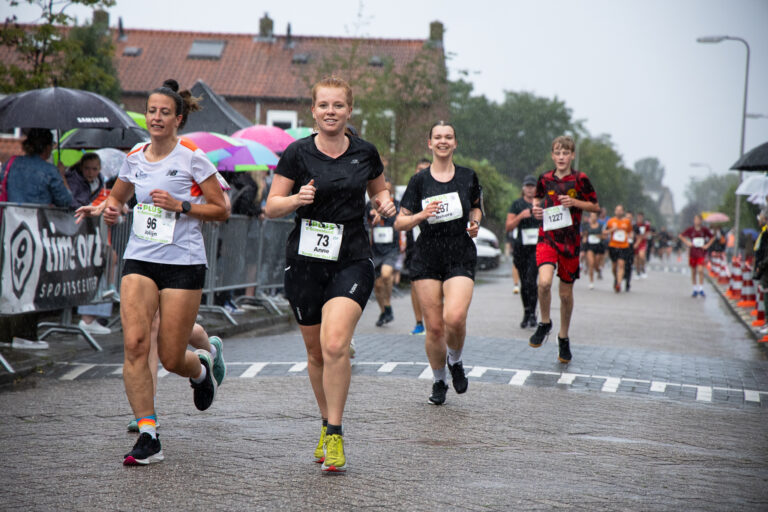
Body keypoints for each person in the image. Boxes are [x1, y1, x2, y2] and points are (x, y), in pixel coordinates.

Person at [76, 79, 229, 466]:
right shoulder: (137, 156)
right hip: (141, 259)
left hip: (183, 263)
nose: (156, 118)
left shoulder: (192, 157)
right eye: (151, 111)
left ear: (178, 119)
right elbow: (117, 197)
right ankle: (148, 434)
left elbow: (222, 209)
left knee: (172, 356)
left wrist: (181, 206)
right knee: (135, 344)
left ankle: (200, 369)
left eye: (164, 112)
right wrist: (109, 208)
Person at [265, 76, 395, 473]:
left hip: (352, 259)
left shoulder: (366, 153)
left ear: (349, 110)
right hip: (305, 262)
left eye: (338, 105)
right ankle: (326, 421)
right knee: (317, 352)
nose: (331, 112)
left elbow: (380, 191)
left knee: (336, 343)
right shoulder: (297, 153)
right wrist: (295, 199)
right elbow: (270, 206)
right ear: (314, 110)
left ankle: (335, 434)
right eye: (324, 105)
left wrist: (386, 205)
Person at [394, 121, 483, 406]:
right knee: (434, 328)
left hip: (459, 251)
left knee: (454, 317)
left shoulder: (468, 176)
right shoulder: (419, 180)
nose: (443, 141)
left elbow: (477, 207)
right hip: (427, 255)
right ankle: (439, 380)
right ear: (429, 143)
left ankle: (455, 360)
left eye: (449, 137)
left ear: (455, 143)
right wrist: (421, 215)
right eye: (438, 137)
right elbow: (400, 221)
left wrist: (475, 222)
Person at [529, 135, 599, 363]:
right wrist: (536, 211)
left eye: (565, 153)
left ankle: (563, 336)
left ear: (572, 155)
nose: (561, 157)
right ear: (552, 155)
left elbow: (595, 207)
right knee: (544, 282)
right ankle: (545, 322)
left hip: (570, 242)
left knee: (565, 294)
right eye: (557, 153)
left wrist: (575, 203)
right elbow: (537, 201)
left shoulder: (581, 179)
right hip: (547, 237)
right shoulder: (545, 178)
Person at [4, 128, 72, 206]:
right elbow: (65, 201)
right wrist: (61, 175)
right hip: (38, 217)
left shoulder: (11, 163)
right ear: (47, 147)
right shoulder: (50, 170)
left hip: (11, 216)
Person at [506, 175, 541, 327]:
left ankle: (533, 314)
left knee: (531, 280)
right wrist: (521, 216)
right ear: (523, 188)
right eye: (527, 186)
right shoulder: (517, 204)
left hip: (537, 247)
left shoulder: (542, 204)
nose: (529, 189)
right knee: (524, 282)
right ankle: (526, 312)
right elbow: (508, 226)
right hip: (521, 247)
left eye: (532, 186)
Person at [367, 178, 401, 327]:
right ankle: (385, 311)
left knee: (386, 274)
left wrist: (385, 213)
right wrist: (372, 217)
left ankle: (387, 304)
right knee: (378, 285)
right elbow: (364, 222)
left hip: (391, 248)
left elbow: (400, 221)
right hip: (375, 249)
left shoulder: (397, 205)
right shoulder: (369, 206)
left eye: (387, 190)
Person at [404, 158, 431, 335]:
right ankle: (419, 322)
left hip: (433, 241)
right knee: (415, 283)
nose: (421, 172)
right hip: (413, 242)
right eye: (419, 169)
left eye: (425, 169)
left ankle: (435, 320)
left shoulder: (436, 189)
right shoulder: (411, 189)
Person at [679, 214, 715, 297]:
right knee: (694, 271)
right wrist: (687, 242)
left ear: (701, 221)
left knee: (700, 270)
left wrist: (707, 245)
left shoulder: (704, 230)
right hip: (693, 253)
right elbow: (681, 236)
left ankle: (701, 288)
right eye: (695, 219)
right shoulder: (690, 230)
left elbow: (712, 237)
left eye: (698, 219)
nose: (696, 221)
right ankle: (695, 289)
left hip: (701, 253)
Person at [605, 205, 633, 293]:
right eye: (617, 210)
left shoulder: (627, 222)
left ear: (623, 212)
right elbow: (604, 232)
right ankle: (616, 278)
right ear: (615, 211)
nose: (618, 212)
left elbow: (630, 231)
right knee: (614, 267)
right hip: (613, 246)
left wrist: (630, 236)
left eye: (620, 210)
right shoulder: (610, 221)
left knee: (621, 264)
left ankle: (619, 284)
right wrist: (612, 229)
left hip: (624, 246)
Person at [582, 211, 605, 289]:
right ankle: (591, 281)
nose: (593, 217)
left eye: (594, 216)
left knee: (596, 265)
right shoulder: (587, 226)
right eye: (591, 216)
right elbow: (585, 235)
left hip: (598, 246)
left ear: (597, 217)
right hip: (590, 246)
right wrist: (584, 239)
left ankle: (598, 270)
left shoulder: (601, 226)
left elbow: (604, 236)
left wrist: (599, 236)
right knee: (591, 264)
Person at [633, 211, 652, 279]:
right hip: (635, 243)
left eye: (641, 217)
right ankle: (638, 272)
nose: (640, 218)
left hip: (643, 243)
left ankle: (643, 269)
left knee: (642, 256)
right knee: (636, 259)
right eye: (638, 217)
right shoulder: (634, 225)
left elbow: (648, 233)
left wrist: (645, 236)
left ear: (643, 217)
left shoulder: (646, 225)